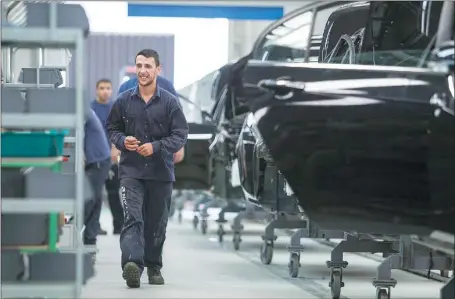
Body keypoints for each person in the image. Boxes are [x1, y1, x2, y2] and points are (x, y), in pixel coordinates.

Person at [106, 48, 189, 288]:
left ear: (157, 70)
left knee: (156, 222)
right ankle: (132, 264)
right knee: (133, 217)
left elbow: (180, 134)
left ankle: (154, 266)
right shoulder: (123, 100)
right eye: (139, 66)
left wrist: (157, 147)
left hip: (160, 172)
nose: (143, 71)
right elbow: (112, 128)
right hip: (131, 171)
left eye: (148, 66)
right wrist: (122, 142)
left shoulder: (170, 102)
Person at [91, 78, 124, 235]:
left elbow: (119, 130)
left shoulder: (116, 108)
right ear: (97, 90)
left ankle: (119, 226)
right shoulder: (90, 109)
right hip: (94, 157)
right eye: (102, 88)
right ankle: (94, 226)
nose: (105, 91)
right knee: (95, 194)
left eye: (108, 88)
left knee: (114, 193)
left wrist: (116, 148)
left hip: (111, 158)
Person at [83, 109, 112, 247]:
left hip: (98, 160)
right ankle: (89, 240)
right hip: (99, 160)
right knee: (95, 200)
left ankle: (85, 239)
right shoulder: (86, 110)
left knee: (90, 200)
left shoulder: (83, 111)